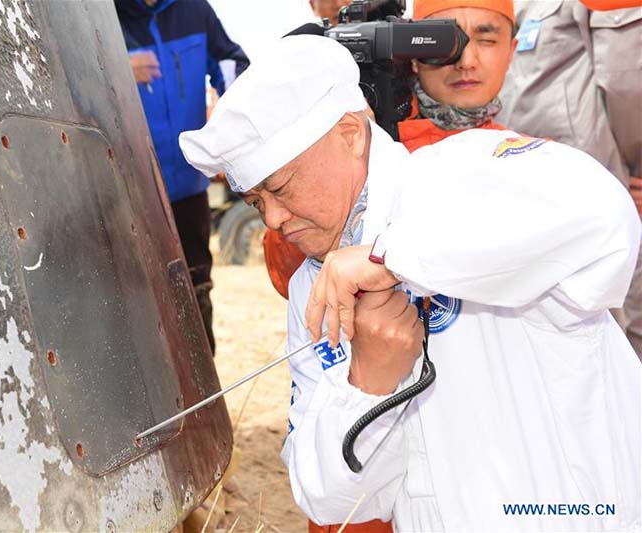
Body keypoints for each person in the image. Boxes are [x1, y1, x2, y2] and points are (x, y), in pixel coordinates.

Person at [179, 33, 641, 532]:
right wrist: (369, 384)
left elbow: (605, 217)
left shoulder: (464, 167)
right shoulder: (310, 289)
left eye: (280, 187)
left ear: (351, 135)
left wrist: (394, 259)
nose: (271, 219)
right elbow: (323, 498)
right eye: (254, 201)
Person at [263, 0, 517, 300]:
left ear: (511, 51)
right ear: (411, 50)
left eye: (487, 40)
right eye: (444, 40)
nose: (466, 60)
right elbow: (289, 277)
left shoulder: (530, 160)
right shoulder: (361, 142)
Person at [498, 0, 642, 356]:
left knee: (619, 326)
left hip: (598, 187)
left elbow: (626, 81)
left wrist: (632, 167)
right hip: (524, 191)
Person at [117, 0, 250, 354]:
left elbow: (232, 62)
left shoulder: (194, 10)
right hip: (128, 193)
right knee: (135, 298)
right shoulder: (104, 14)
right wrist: (117, 68)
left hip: (189, 188)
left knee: (196, 290)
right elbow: (66, 72)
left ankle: (204, 397)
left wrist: (231, 112)